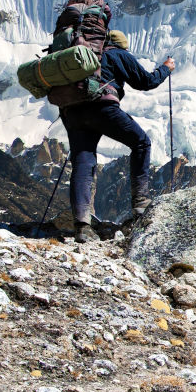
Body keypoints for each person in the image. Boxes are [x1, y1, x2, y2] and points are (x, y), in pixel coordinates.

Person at [59, 28, 175, 242]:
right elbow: (146, 82)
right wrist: (166, 68)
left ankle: (82, 226)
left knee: (83, 162)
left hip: (72, 112)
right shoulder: (118, 54)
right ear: (122, 45)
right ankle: (141, 204)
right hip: (102, 109)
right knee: (141, 143)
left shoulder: (84, 56)